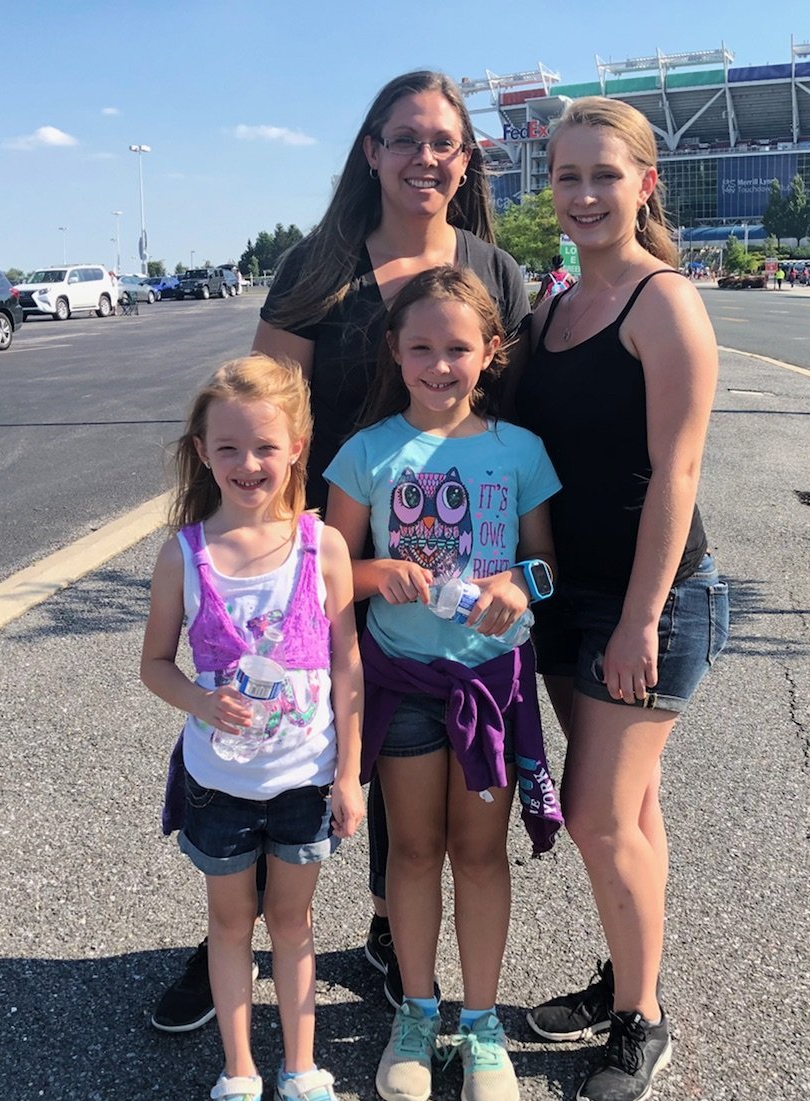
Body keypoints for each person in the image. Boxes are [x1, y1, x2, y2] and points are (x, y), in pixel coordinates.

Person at [146, 68, 532, 1030]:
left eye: (443, 142)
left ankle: (386, 929)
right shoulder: (320, 266)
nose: (423, 158)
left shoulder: (495, 273)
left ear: (467, 158)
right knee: (271, 734)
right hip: (318, 552)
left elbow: (513, 421)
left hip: (442, 576)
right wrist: (258, 545)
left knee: (394, 752)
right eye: (404, 139)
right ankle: (234, 928)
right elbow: (262, 411)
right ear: (371, 152)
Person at [514, 97, 729, 1101]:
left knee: (597, 812)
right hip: (568, 595)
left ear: (645, 185)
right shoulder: (553, 307)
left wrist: (642, 619)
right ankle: (625, 976)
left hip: (654, 597)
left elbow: (677, 473)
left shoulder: (663, 303)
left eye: (605, 174)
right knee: (629, 812)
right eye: (568, 175)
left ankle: (642, 1020)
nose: (585, 194)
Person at [325, 265, 561, 1101]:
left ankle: (482, 1021)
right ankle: (417, 1012)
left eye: (457, 348)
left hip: (491, 685)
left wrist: (519, 586)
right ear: (394, 351)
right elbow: (329, 575)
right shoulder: (364, 454)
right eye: (420, 347)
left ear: (491, 351)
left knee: (481, 854)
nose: (438, 365)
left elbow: (544, 563)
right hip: (402, 682)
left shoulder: (520, 450)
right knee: (415, 851)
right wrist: (373, 573)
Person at [139, 355, 365, 1101]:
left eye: (265, 447)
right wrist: (200, 703)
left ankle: (303, 1072)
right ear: (202, 452)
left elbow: (347, 666)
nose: (248, 464)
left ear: (297, 447)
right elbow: (154, 664)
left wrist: (348, 774)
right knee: (231, 925)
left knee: (294, 926)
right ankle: (238, 1076)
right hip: (220, 786)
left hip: (304, 780)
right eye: (228, 448)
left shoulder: (322, 547)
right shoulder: (184, 556)